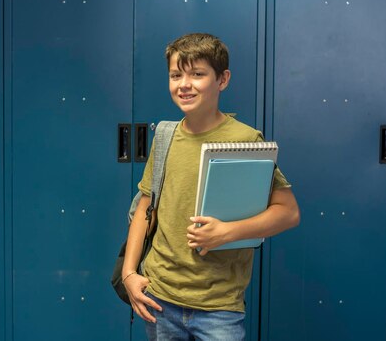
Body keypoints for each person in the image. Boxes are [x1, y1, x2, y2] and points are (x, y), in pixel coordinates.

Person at [121, 33, 300, 340]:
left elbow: (288, 213)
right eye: (176, 75)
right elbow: (144, 210)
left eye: (197, 74)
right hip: (159, 296)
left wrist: (226, 232)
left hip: (218, 306)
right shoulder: (165, 136)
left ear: (223, 79)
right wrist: (129, 274)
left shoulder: (246, 141)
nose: (184, 84)